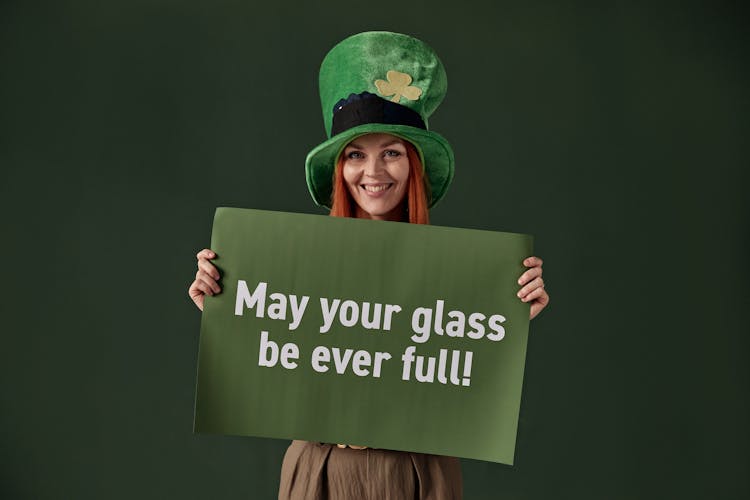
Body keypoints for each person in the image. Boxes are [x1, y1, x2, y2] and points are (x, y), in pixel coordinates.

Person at [188, 32, 549, 500]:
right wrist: (224, 309)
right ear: (339, 168)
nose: (373, 172)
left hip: (420, 474)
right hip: (318, 470)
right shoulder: (293, 266)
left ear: (414, 165)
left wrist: (509, 319)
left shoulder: (461, 277)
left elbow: (462, 382)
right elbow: (279, 356)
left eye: (392, 153)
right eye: (356, 154)